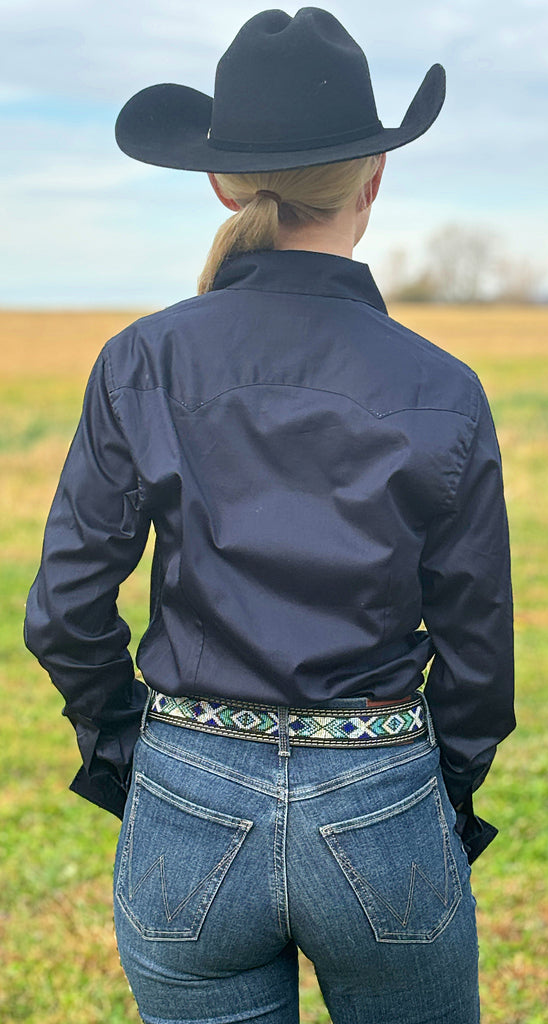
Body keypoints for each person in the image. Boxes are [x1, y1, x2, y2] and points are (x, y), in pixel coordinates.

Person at [25, 9, 515, 1024]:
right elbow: (479, 646)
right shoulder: (445, 388)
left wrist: (130, 754)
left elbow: (66, 609)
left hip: (187, 793)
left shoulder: (141, 359)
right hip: (382, 794)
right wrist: (442, 789)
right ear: (373, 180)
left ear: (222, 183)